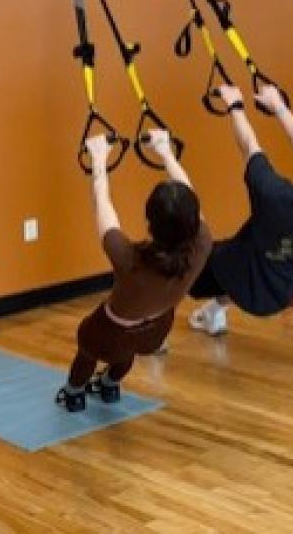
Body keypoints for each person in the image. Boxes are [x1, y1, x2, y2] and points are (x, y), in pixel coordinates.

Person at [56, 130, 213, 412]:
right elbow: (190, 195)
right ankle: (109, 385)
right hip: (156, 330)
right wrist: (165, 154)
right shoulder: (203, 242)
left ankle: (74, 392)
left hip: (107, 331)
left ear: (149, 222)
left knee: (90, 352)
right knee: (127, 353)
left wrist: (100, 159)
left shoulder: (129, 259)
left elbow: (101, 203)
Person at [187, 84, 293, 337]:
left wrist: (234, 105)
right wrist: (278, 106)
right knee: (237, 256)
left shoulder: (275, 197)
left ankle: (144, 326)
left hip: (246, 276)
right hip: (285, 287)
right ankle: (215, 312)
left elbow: (249, 145)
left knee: (184, 266)